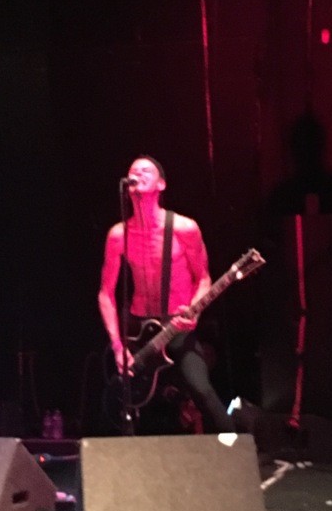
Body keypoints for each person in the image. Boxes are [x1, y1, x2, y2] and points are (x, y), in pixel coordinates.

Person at [98, 155, 235, 434]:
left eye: (145, 170)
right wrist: (117, 346)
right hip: (139, 330)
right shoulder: (118, 235)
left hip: (178, 325)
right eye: (133, 171)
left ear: (161, 184)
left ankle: (237, 448)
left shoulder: (184, 228)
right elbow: (106, 294)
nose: (138, 174)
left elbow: (204, 277)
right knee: (122, 400)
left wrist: (194, 311)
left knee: (201, 389)